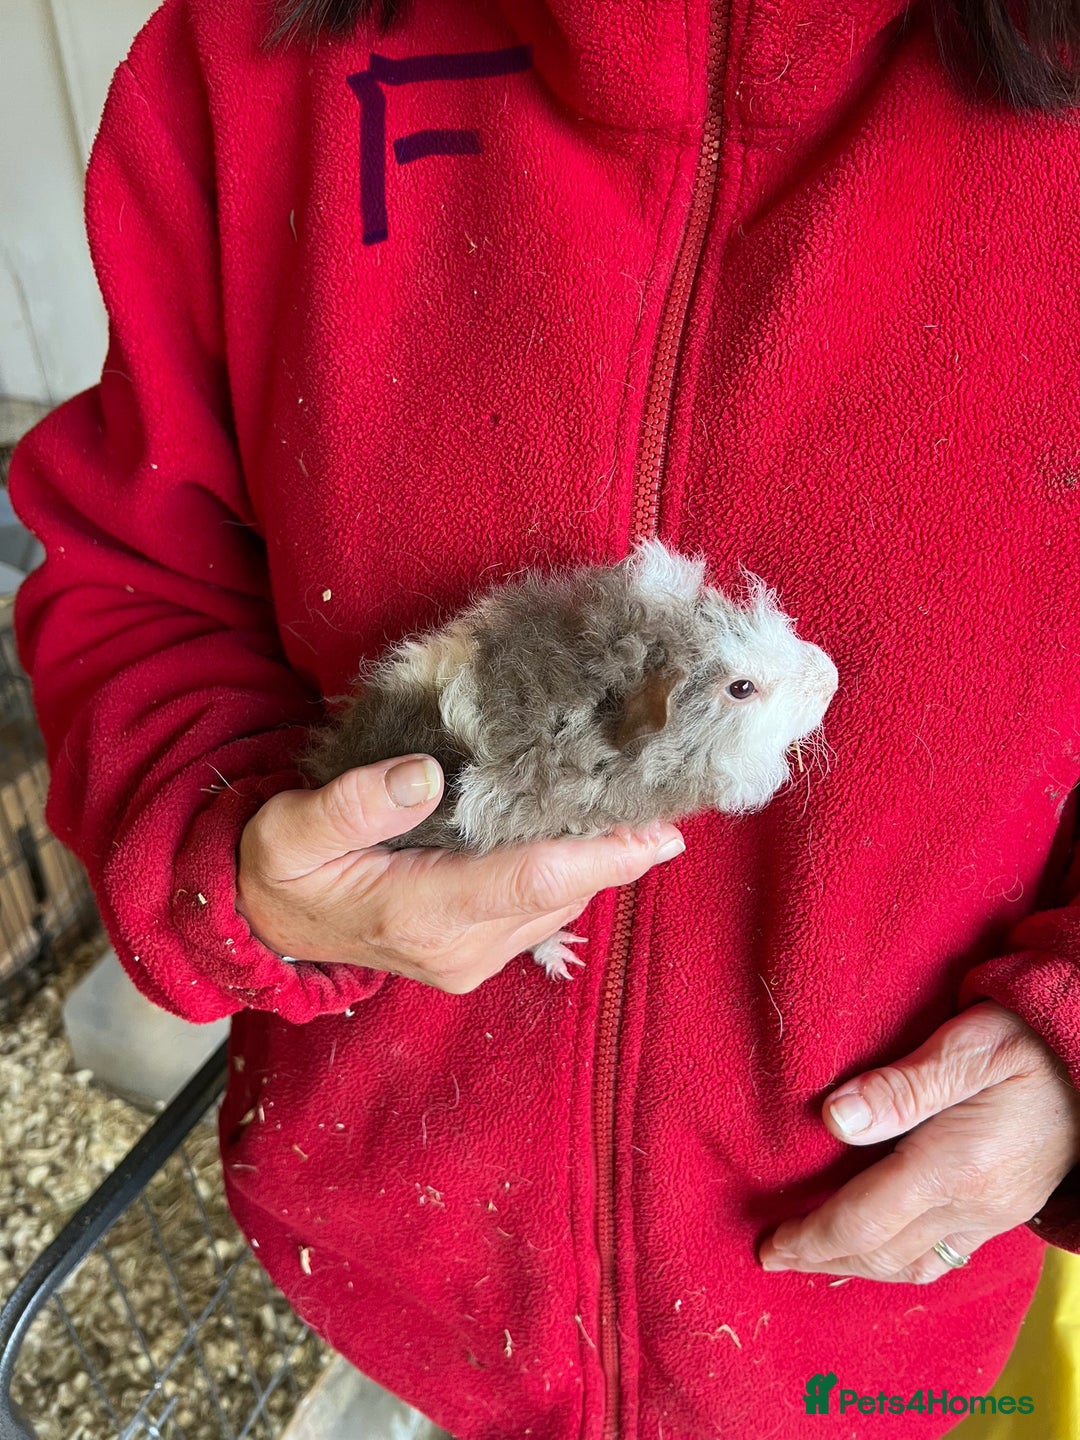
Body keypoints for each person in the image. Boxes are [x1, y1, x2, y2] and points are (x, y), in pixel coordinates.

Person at [9, 0, 1080, 1434]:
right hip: (405, 1267)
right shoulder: (254, 53)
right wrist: (238, 860)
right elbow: (138, 576)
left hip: (857, 1316)